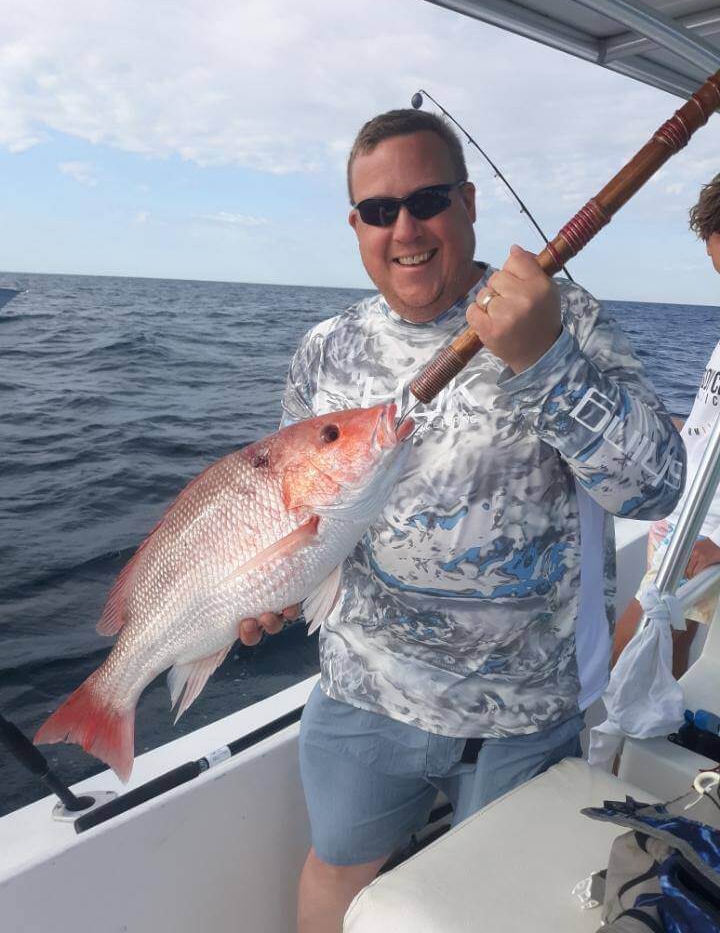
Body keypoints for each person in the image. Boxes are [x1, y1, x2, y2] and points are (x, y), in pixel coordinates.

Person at [239, 110, 685, 933]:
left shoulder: (562, 316)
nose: (404, 228)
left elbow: (656, 488)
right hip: (364, 688)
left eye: (428, 199)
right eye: (379, 211)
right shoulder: (325, 352)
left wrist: (544, 360)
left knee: (492, 908)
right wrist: (267, 586)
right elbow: (296, 514)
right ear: (356, 226)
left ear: (470, 202)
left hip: (521, 709)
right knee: (336, 869)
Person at [614, 173, 720, 676]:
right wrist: (678, 429)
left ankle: (596, 746)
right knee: (666, 648)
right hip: (686, 508)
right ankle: (626, 747)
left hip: (709, 532)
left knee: (641, 638)